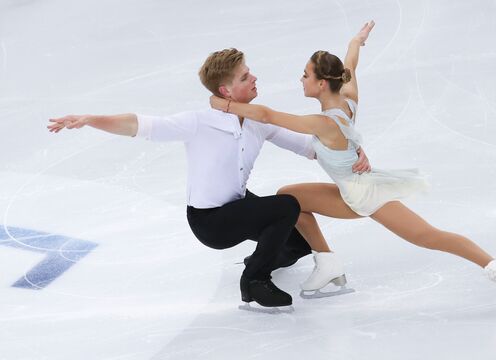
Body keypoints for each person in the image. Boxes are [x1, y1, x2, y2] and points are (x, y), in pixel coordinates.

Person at [209, 21, 496, 305]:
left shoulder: (323, 123)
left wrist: (221, 103)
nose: (301, 79)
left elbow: (266, 115)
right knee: (288, 197)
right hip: (352, 187)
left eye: (305, 74)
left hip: (365, 195)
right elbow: (351, 67)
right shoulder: (347, 100)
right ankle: (327, 263)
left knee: (428, 235)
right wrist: (355, 43)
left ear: (321, 83)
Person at [47, 48, 370, 309]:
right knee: (288, 206)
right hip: (210, 220)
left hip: (238, 206)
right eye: (245, 76)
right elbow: (139, 125)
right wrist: (90, 119)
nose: (254, 77)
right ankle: (253, 280)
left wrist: (352, 152)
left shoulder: (258, 123)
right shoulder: (198, 122)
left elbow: (311, 148)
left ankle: (260, 260)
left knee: (299, 239)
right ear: (226, 90)